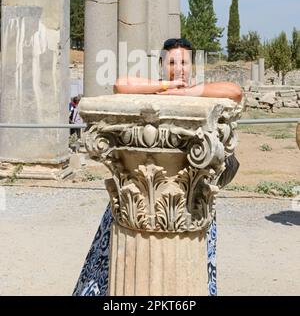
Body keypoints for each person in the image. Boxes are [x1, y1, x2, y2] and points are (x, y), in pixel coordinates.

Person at [73, 38, 242, 297]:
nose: (178, 68)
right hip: (139, 197)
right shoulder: (151, 92)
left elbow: (234, 91)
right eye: (171, 62)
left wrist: (186, 92)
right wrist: (167, 86)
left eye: (184, 62)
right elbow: (120, 84)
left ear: (193, 67)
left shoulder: (200, 91)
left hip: (189, 201)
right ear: (162, 66)